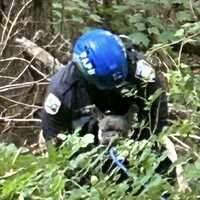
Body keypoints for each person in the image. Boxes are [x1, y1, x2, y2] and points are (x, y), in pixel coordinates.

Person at [41, 28, 168, 145]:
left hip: (125, 118)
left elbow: (157, 114)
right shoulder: (62, 91)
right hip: (80, 131)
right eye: (107, 84)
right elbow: (52, 138)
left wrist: (141, 146)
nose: (112, 87)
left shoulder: (139, 69)